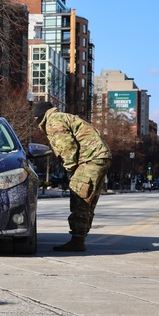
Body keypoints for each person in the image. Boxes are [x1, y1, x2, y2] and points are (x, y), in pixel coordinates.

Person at [33, 100, 112, 252]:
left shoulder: (53, 121)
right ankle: (79, 237)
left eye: (35, 118)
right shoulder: (64, 117)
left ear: (39, 116)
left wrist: (70, 169)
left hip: (89, 159)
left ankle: (77, 240)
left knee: (80, 198)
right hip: (99, 157)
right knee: (88, 199)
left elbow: (67, 147)